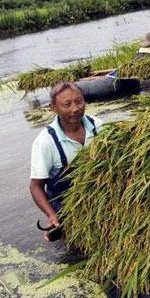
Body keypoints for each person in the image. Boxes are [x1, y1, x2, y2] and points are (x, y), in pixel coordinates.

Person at [29, 81, 103, 241]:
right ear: (53, 108)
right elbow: (36, 187)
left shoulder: (97, 126)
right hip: (67, 204)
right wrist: (51, 215)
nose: (75, 109)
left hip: (99, 195)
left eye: (79, 101)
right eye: (67, 104)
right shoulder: (45, 142)